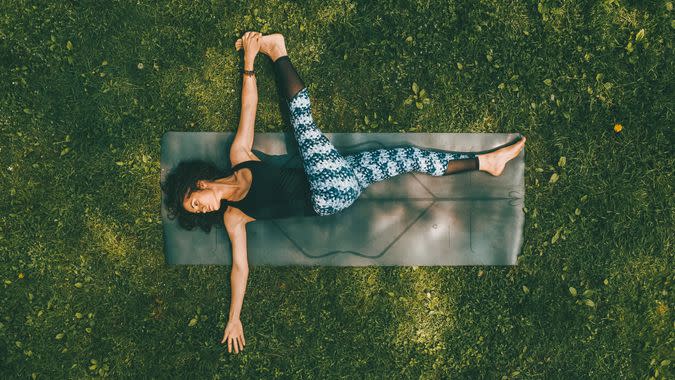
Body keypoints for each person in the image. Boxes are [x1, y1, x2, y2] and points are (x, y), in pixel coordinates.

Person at [161, 32, 527, 354]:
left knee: (409, 157)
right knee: (303, 126)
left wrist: (247, 62)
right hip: (329, 197)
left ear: (200, 184)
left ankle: (486, 164)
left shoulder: (239, 157)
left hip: (339, 174)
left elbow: (249, 108)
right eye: (198, 212)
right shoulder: (233, 216)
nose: (203, 210)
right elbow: (240, 267)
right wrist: (234, 318)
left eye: (196, 203)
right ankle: (279, 50)